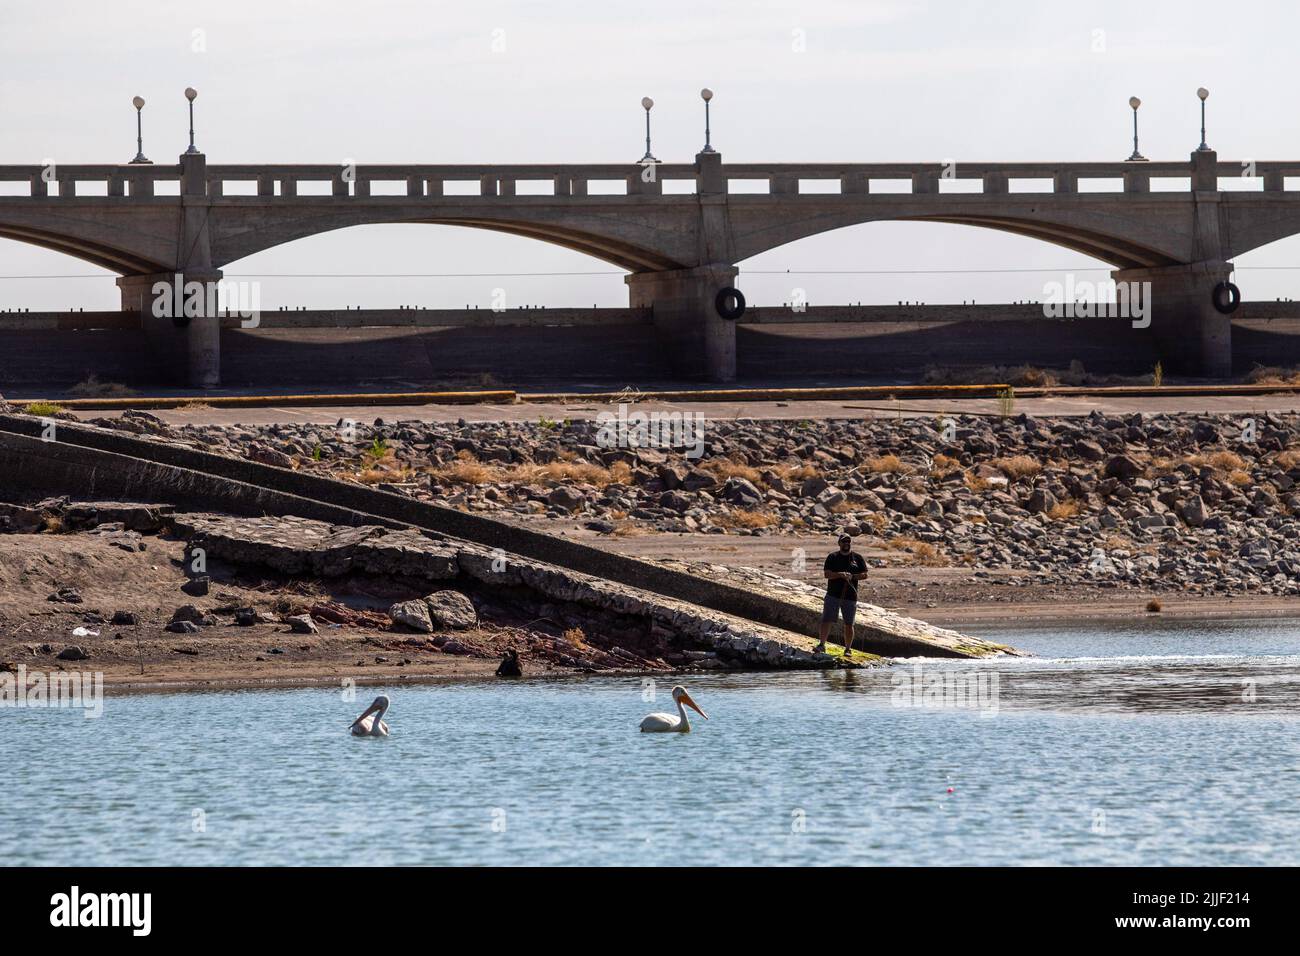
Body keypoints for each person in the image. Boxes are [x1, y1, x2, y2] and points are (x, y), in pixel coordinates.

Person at [817, 532, 867, 655]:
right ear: (839, 543)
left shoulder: (858, 558)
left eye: (848, 541)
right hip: (833, 595)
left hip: (850, 597)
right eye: (844, 541)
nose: (846, 543)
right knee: (826, 620)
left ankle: (848, 649)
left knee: (849, 624)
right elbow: (827, 574)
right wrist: (840, 574)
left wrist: (852, 576)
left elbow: (865, 574)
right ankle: (822, 644)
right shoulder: (832, 557)